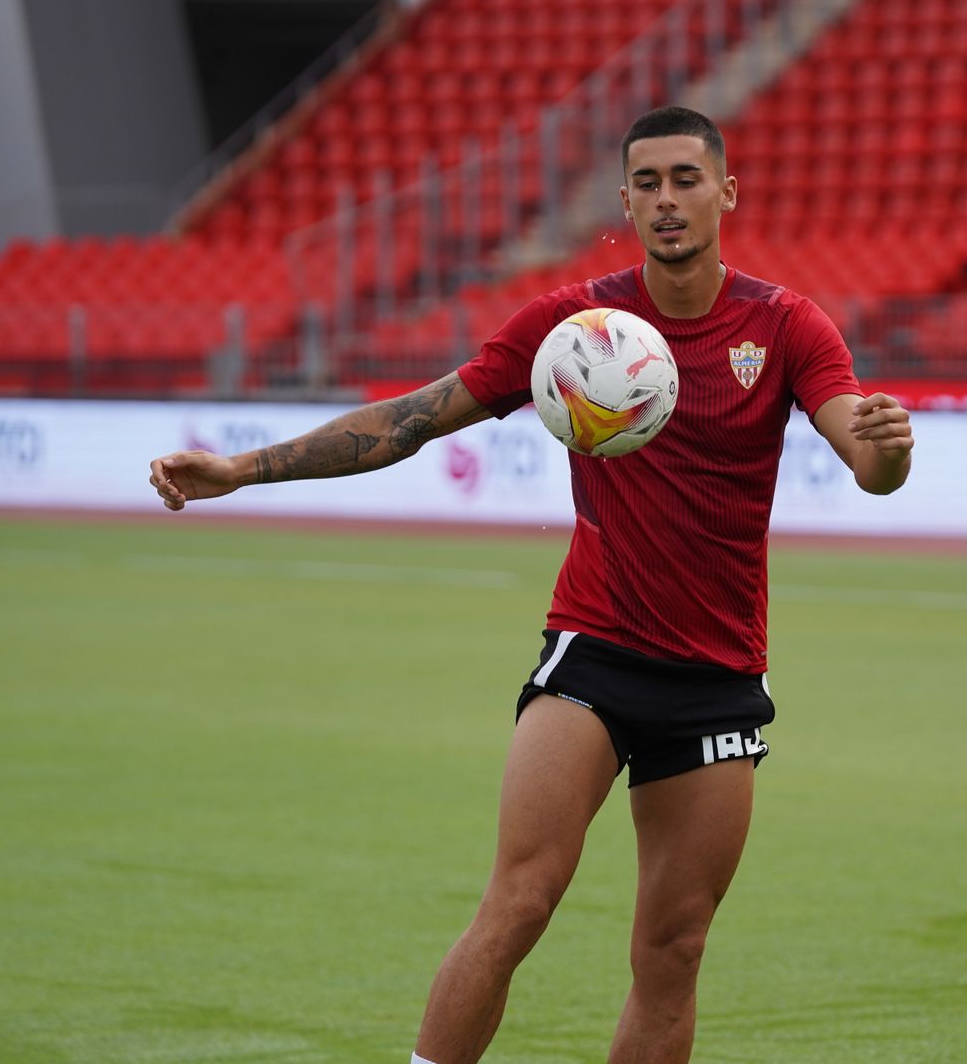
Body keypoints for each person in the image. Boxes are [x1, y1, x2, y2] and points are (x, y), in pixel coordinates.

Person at [148, 106, 913, 1064]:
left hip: (718, 676)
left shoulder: (785, 325)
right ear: (625, 198)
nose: (667, 200)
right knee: (519, 903)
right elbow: (417, 419)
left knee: (672, 951)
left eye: (686, 178)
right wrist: (246, 469)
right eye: (647, 182)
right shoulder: (574, 326)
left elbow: (864, 455)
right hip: (593, 655)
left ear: (726, 190)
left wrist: (887, 455)